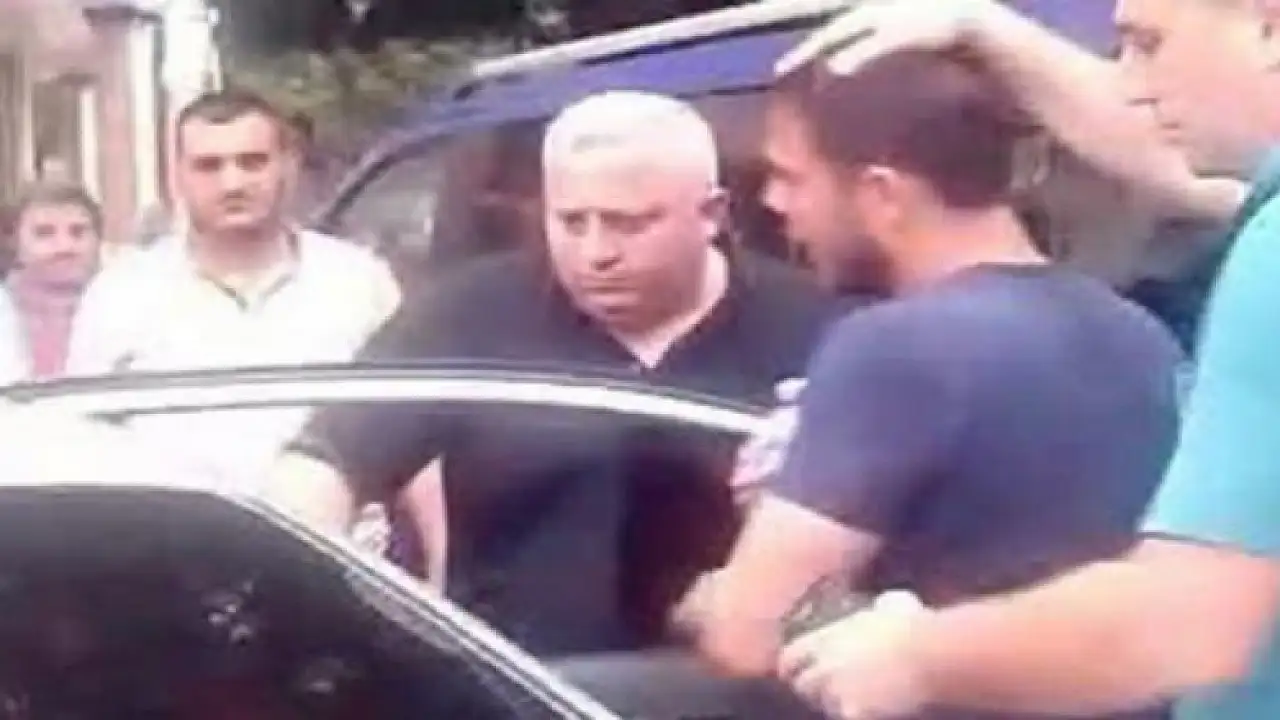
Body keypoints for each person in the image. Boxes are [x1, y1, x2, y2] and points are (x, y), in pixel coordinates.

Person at [760, 2, 1280, 719]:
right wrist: (984, 26)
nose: (1130, 87)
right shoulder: (1140, 325)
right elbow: (1171, 160)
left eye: (1148, 44)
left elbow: (1187, 622)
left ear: (1270, 28)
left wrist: (915, 656)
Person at [676, 47, 1183, 720]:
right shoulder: (1140, 336)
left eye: (792, 178)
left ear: (883, 194)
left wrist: (712, 597)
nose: (773, 202)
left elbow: (748, 637)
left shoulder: (895, 348)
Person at [266, 91, 844, 655]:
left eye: (628, 223)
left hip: (734, 689)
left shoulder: (815, 330)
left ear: (711, 214)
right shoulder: (469, 313)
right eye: (571, 221)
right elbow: (330, 455)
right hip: (521, 686)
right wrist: (292, 564)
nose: (596, 252)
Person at [66, 89, 399, 486]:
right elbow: (81, 441)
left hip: (329, 523)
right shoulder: (122, 293)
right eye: (209, 166)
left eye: (252, 162)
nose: (232, 183)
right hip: (174, 522)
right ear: (177, 176)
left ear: (287, 166)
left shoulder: (360, 282)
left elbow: (410, 430)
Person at [5, 182, 103, 379]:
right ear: (15, 242)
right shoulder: (6, 309)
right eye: (44, 233)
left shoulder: (134, 306)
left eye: (78, 232)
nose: (64, 247)